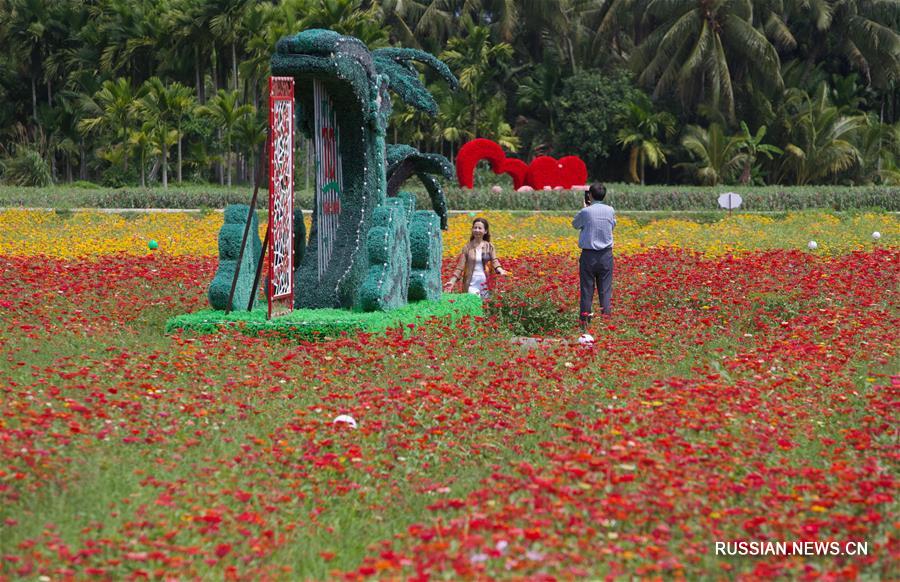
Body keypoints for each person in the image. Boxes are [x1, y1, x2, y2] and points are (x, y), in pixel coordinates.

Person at [572, 182, 616, 331]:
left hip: (589, 255)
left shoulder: (586, 212)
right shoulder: (610, 210)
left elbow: (575, 224)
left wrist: (585, 208)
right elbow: (613, 225)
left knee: (587, 290)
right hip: (606, 255)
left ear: (590, 195)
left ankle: (584, 325)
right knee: (605, 291)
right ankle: (606, 324)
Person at [444, 217, 508, 296]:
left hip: (486, 282)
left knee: (485, 305)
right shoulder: (467, 247)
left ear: (485, 231)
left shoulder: (489, 246)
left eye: (480, 228)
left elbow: (495, 261)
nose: (477, 230)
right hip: (471, 282)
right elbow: (460, 267)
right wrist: (452, 281)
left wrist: (500, 270)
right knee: (474, 301)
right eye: (475, 228)